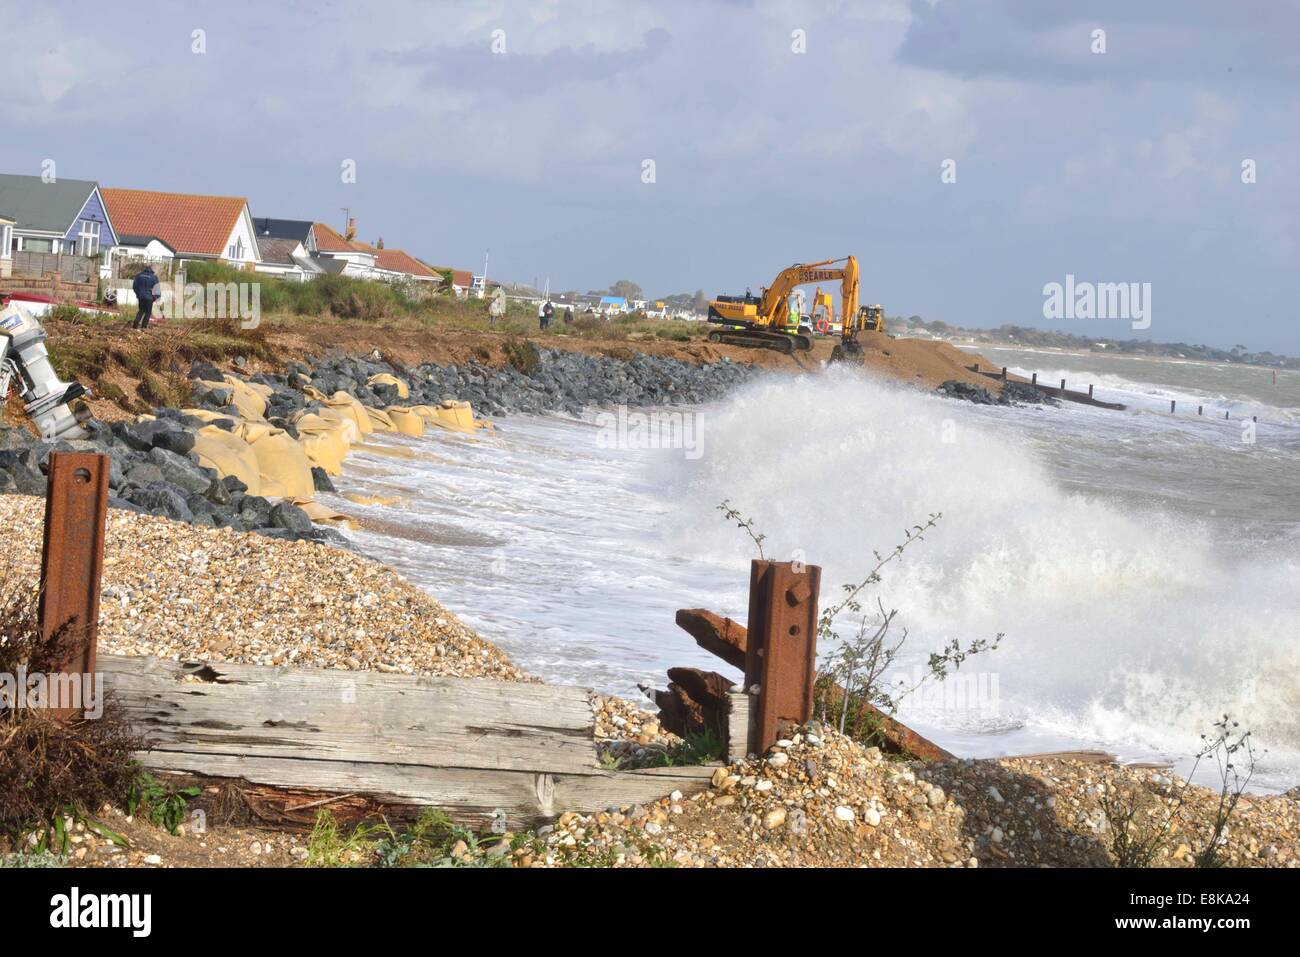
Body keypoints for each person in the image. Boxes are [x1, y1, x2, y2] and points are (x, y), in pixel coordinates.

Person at [131, 265, 159, 330]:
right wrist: (155, 298)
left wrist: (138, 294)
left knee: (141, 310)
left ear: (145, 269)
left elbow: (134, 286)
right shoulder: (154, 277)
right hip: (149, 297)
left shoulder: (139, 275)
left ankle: (136, 321)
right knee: (148, 312)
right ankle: (144, 326)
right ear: (151, 269)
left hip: (141, 296)